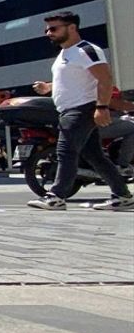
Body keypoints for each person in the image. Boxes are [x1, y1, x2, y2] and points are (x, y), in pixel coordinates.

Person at [27, 11, 133, 210]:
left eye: (54, 28)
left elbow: (105, 78)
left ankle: (56, 196)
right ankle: (123, 195)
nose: (48, 33)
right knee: (95, 156)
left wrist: (102, 107)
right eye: (47, 29)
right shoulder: (65, 53)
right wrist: (48, 87)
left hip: (81, 109)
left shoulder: (86, 50)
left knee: (66, 151)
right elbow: (75, 80)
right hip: (70, 109)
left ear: (72, 28)